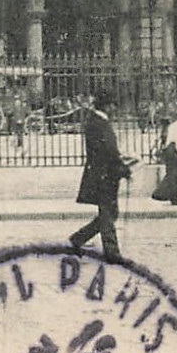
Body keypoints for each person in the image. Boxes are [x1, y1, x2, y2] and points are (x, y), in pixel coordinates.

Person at [68, 99, 133, 261]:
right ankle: (112, 253)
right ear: (106, 105)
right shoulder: (98, 123)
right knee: (107, 214)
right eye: (113, 105)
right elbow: (108, 151)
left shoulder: (97, 121)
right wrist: (123, 167)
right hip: (104, 176)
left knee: (110, 213)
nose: (114, 108)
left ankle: (78, 238)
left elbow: (108, 150)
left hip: (105, 174)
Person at [151, 111, 177, 206]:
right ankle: (160, 193)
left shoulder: (173, 126)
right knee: (173, 175)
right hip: (173, 152)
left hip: (169, 152)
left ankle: (173, 197)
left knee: (174, 175)